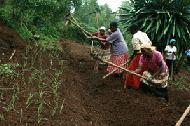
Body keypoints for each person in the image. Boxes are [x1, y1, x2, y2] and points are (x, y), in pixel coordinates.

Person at [124, 24, 151, 89]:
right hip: (148, 54)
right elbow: (150, 43)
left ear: (133, 30)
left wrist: (132, 57)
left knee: (132, 69)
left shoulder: (135, 37)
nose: (130, 32)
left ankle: (133, 85)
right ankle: (143, 85)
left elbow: (137, 50)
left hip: (140, 55)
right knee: (144, 70)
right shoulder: (144, 34)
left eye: (130, 30)